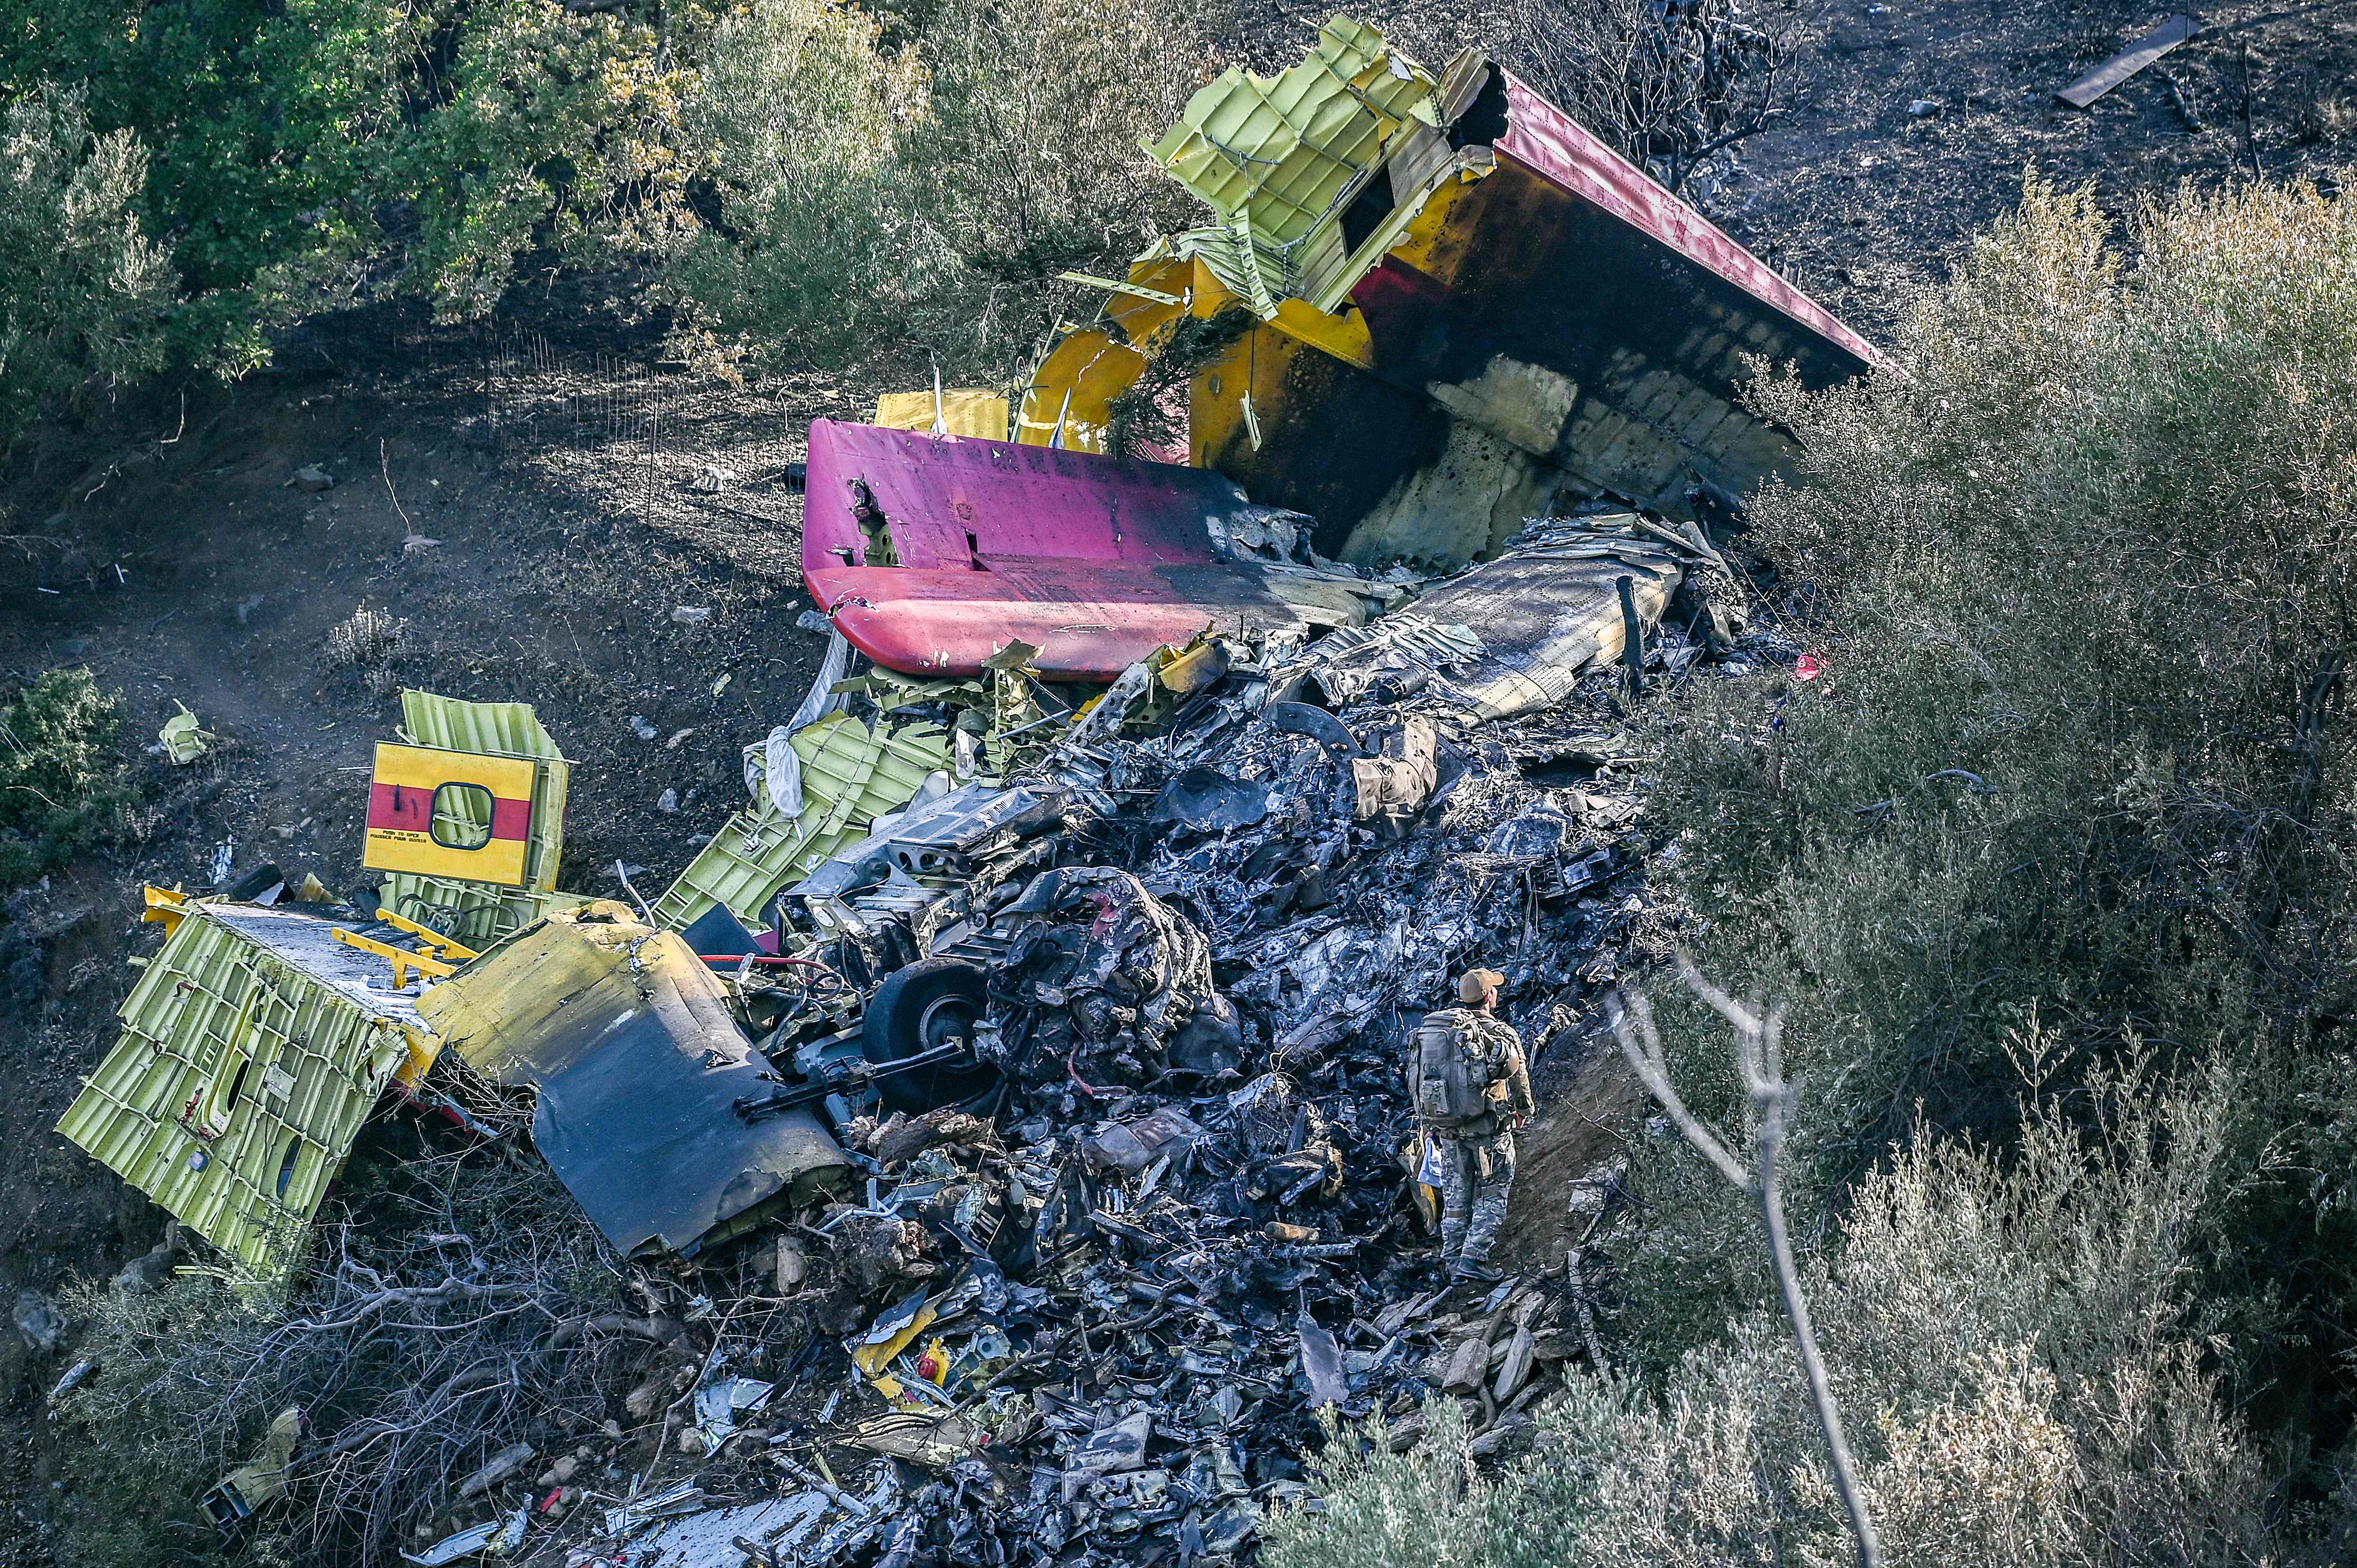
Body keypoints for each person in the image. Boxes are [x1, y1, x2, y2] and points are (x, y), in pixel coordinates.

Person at [1407, 967, 1534, 1283]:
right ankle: (1474, 1257)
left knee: (1456, 1196)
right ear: (1489, 996)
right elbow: (1519, 1078)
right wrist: (1523, 1110)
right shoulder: (1500, 1033)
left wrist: (1428, 1122)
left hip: (1447, 1129)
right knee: (1493, 1192)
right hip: (1488, 1131)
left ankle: (1453, 1263)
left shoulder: (1442, 1033)